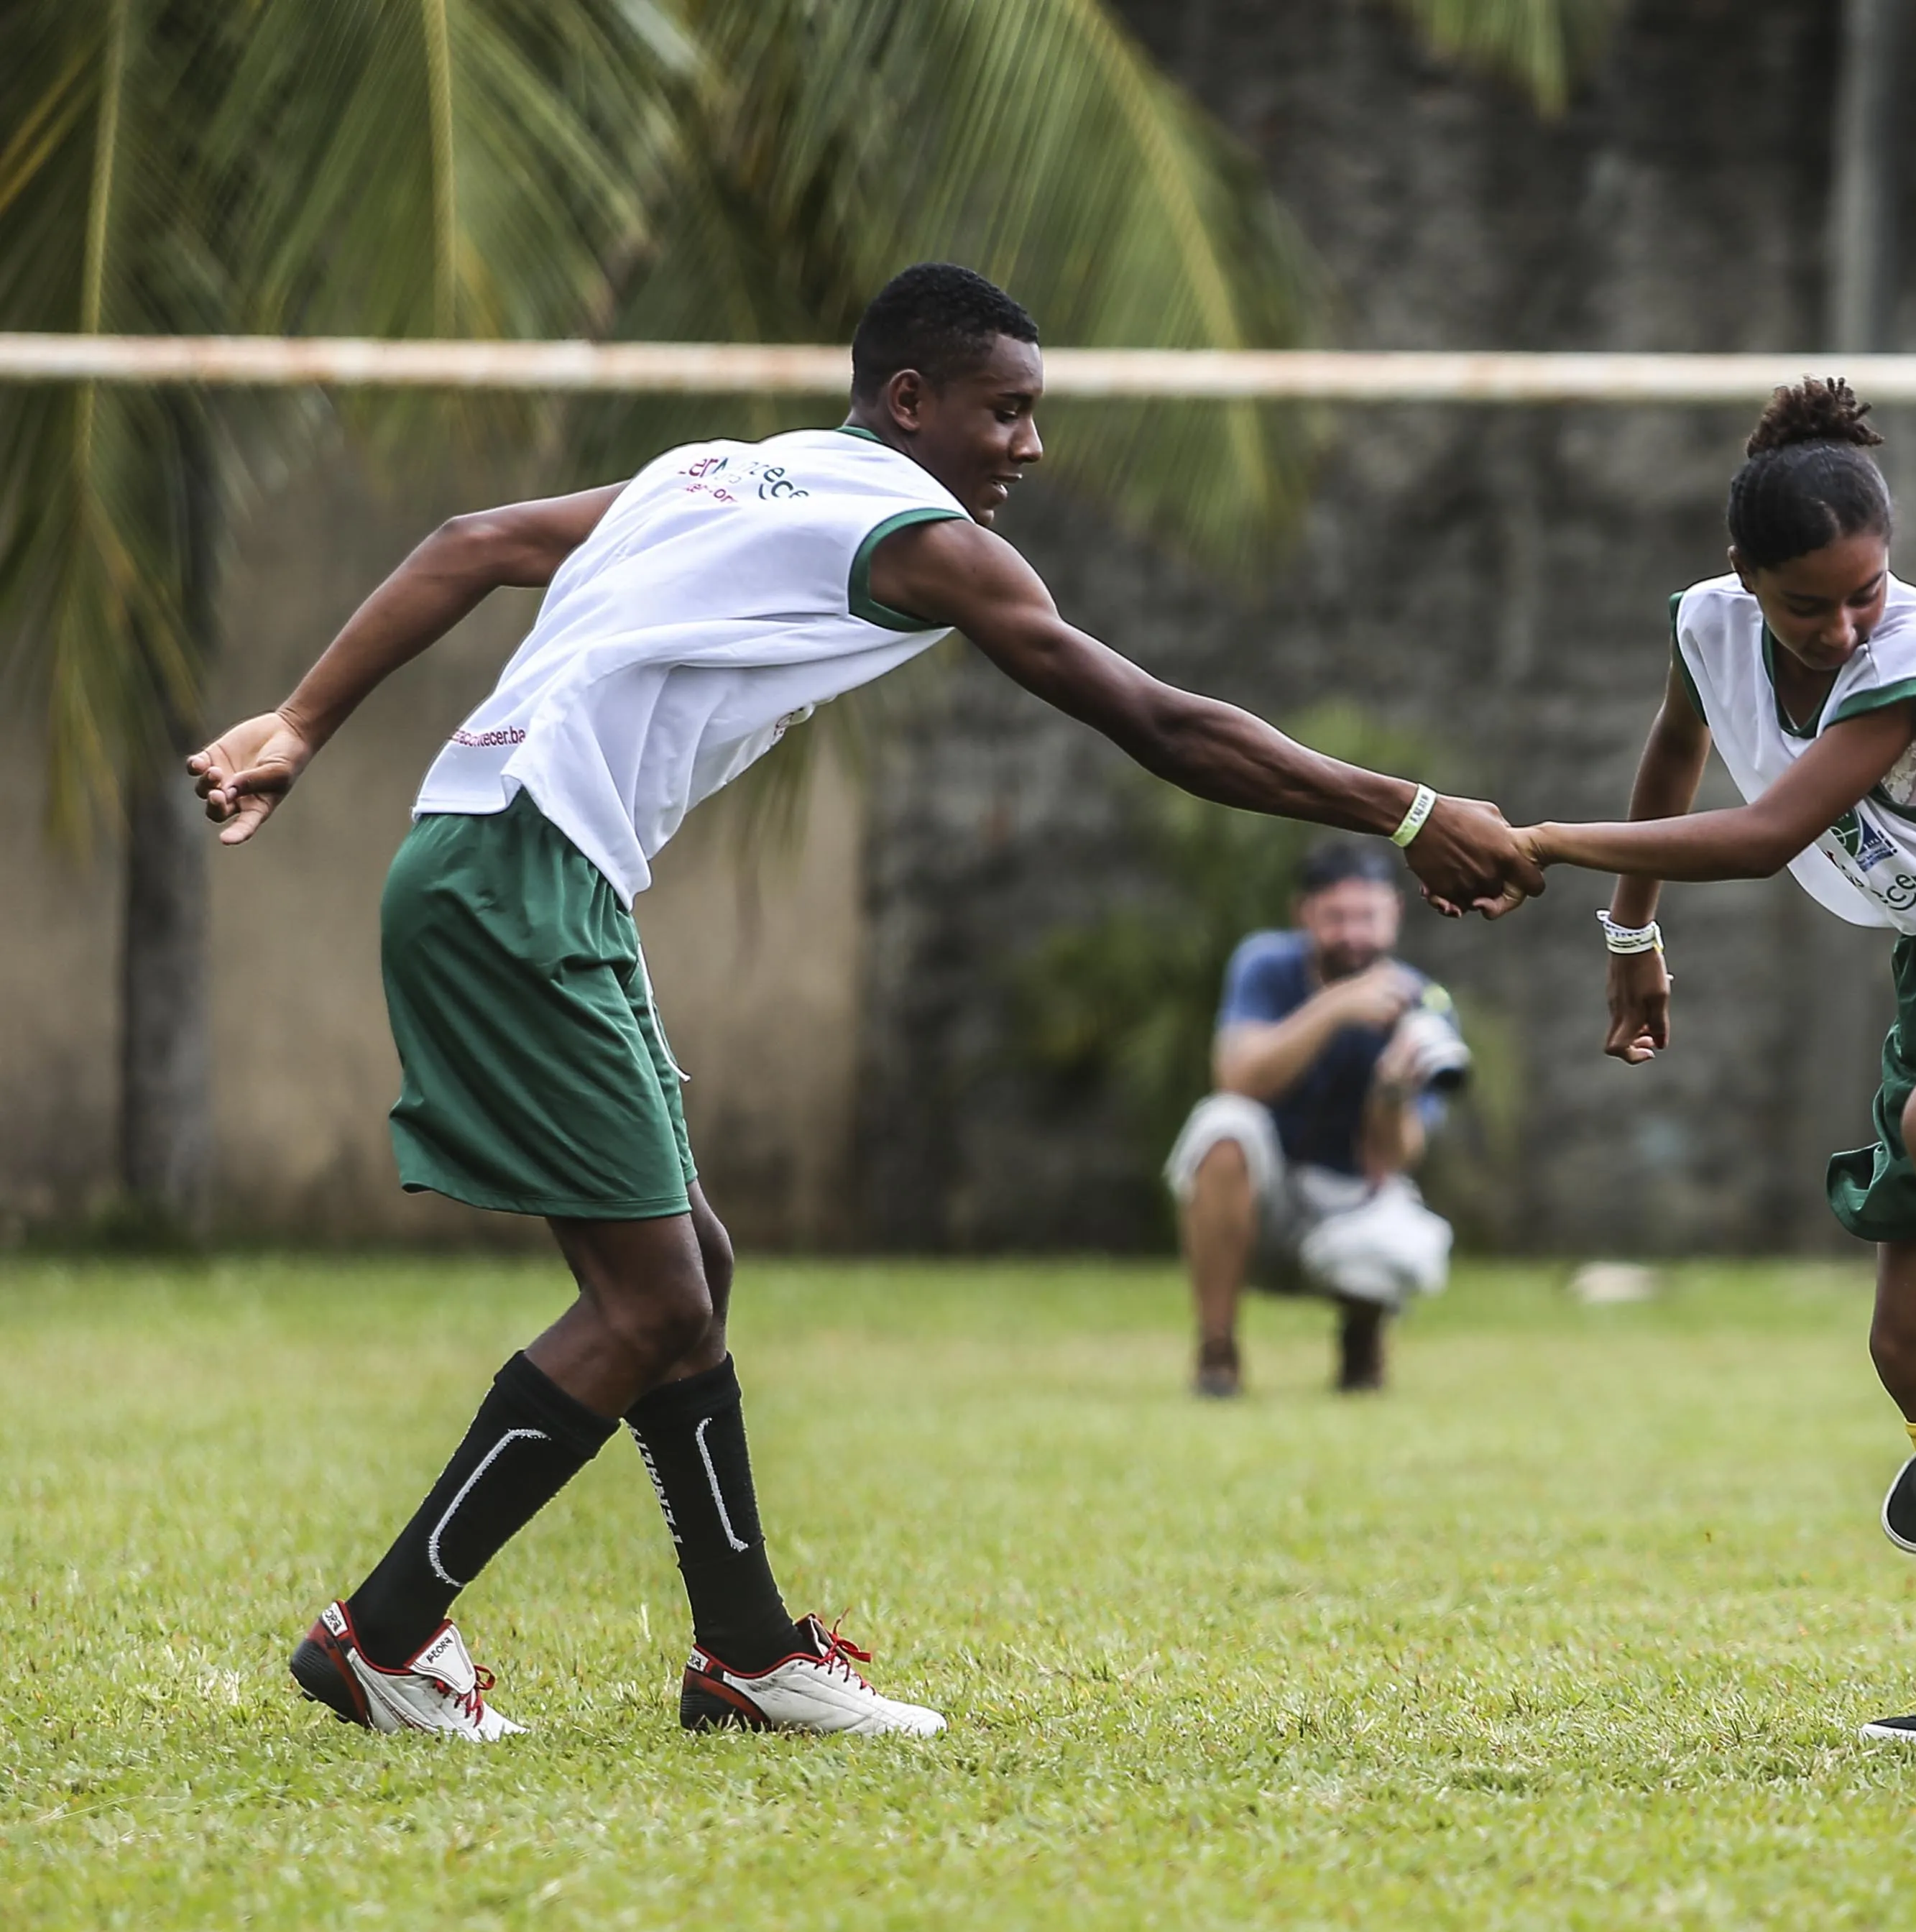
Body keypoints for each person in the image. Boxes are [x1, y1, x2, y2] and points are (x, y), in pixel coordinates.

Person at [188, 262, 1542, 1743]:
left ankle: (747, 1657)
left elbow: (475, 540)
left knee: (686, 1267)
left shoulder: (713, 471)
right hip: (520, 876)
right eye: (1004, 411)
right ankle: (385, 1634)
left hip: (505, 861)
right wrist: (1410, 816)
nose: (1028, 446)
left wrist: (301, 723)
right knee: (648, 1303)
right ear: (911, 402)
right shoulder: (919, 538)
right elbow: (1157, 720)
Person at [1515, 380, 1916, 1742]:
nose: (1841, 626)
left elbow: (1766, 833)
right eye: (1806, 606)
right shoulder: (1704, 627)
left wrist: (1539, 840)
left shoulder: (1911, 647)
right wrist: (1626, 934)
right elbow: (1675, 745)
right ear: (1741, 578)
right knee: (1904, 1351)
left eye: (1862, 590)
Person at [1169, 840, 1464, 1397]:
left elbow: (1395, 1159)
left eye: (1367, 917)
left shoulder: (1422, 1001)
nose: (1354, 934)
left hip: (1349, 1196)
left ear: (1394, 914)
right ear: (1303, 914)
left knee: (1406, 1244)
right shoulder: (1266, 965)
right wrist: (1335, 1007)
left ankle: (1363, 1339)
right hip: (1264, 1195)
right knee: (1222, 1125)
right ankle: (1216, 1352)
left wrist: (1393, 1091)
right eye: (1335, 917)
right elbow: (1235, 1078)